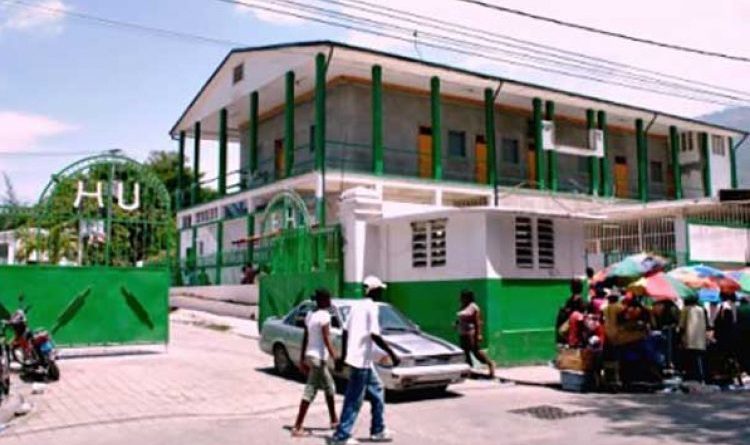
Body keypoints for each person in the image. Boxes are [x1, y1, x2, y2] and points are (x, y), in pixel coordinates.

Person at [330, 276, 399, 445]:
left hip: (362, 360)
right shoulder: (371, 308)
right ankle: (341, 436)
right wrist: (392, 353)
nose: (382, 293)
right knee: (354, 399)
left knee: (377, 390)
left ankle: (378, 429)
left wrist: (345, 355)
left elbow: (345, 332)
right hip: (361, 361)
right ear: (374, 291)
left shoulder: (356, 306)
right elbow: (375, 335)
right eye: (380, 290)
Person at [291, 289, 339, 437]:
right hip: (318, 359)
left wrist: (302, 358)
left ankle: (334, 420)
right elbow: (326, 337)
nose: (330, 301)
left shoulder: (310, 315)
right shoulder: (324, 316)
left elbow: (305, 337)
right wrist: (334, 355)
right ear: (323, 300)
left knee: (329, 387)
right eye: (329, 298)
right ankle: (297, 426)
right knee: (310, 391)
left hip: (312, 356)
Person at [456, 290, 495, 378]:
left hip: (471, 333)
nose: (461, 299)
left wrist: (478, 334)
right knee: (465, 352)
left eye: (463, 297)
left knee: (476, 351)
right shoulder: (462, 306)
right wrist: (456, 323)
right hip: (462, 332)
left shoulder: (474, 307)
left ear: (468, 298)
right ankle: (468, 370)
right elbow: (460, 318)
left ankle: (490, 363)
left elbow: (477, 322)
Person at [679, 296, 709, 383]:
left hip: (689, 338)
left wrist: (680, 337)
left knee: (690, 360)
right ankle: (701, 377)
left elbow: (681, 325)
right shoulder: (702, 310)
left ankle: (692, 377)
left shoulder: (686, 309)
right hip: (701, 339)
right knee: (699, 358)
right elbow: (707, 324)